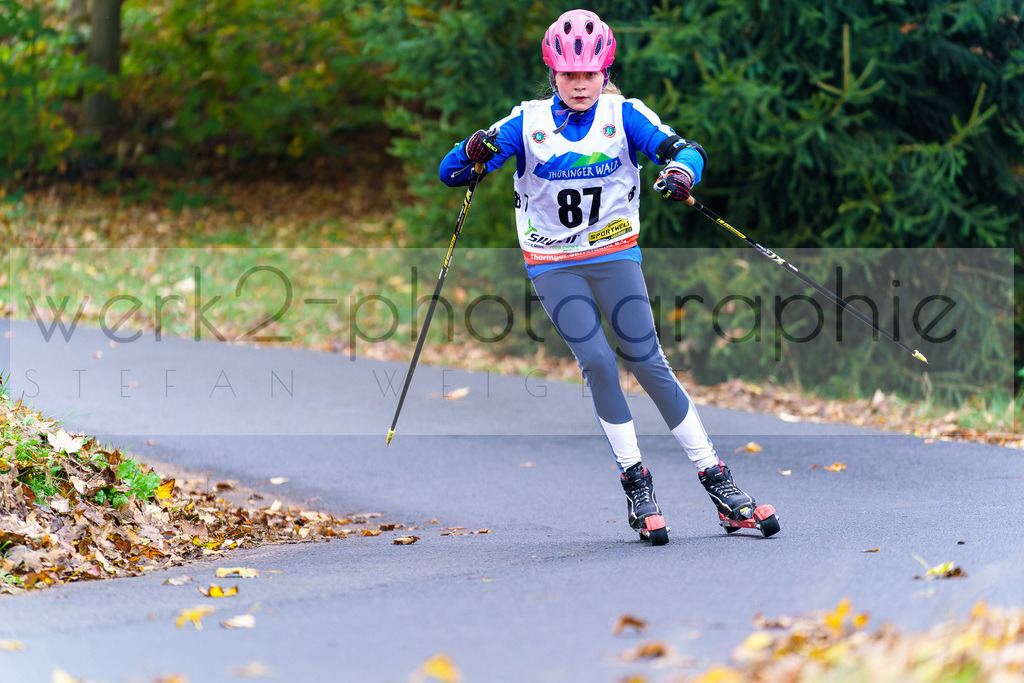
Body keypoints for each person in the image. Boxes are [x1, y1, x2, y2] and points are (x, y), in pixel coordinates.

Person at [438, 9, 772, 545]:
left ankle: (720, 485)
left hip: (615, 255)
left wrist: (682, 172)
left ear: (603, 72)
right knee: (596, 358)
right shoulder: (525, 122)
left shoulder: (626, 114)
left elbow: (686, 149)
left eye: (589, 74)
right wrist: (470, 152)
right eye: (569, 75)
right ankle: (637, 485)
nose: (579, 85)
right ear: (553, 74)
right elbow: (453, 174)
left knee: (646, 358)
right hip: (552, 263)